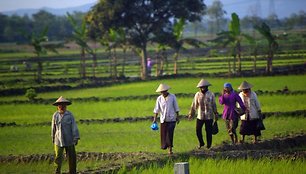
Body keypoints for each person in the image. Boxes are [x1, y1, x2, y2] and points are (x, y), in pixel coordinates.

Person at [51, 96, 80, 174]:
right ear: (57, 106)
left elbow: (74, 126)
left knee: (72, 157)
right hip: (58, 140)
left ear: (66, 106)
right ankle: (57, 172)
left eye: (64, 105)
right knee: (58, 158)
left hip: (69, 139)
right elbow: (53, 128)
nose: (62, 107)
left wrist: (76, 137)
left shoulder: (69, 115)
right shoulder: (55, 115)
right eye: (60, 105)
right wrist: (53, 138)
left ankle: (73, 172)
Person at [188, 79, 219, 149]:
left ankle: (209, 145)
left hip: (209, 116)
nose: (203, 88)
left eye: (204, 86)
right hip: (200, 116)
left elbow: (214, 104)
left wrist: (216, 113)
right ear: (200, 87)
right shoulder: (197, 95)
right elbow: (194, 105)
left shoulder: (211, 94)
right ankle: (201, 143)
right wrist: (191, 114)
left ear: (207, 87)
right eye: (202, 87)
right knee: (198, 130)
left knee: (209, 131)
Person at [153, 84, 180, 154]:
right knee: (164, 134)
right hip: (163, 119)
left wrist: (178, 116)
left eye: (164, 91)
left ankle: (170, 148)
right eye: (161, 92)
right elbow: (156, 109)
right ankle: (166, 146)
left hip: (172, 118)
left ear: (167, 90)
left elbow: (176, 107)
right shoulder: (159, 99)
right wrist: (155, 119)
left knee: (170, 133)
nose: (163, 93)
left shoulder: (172, 97)